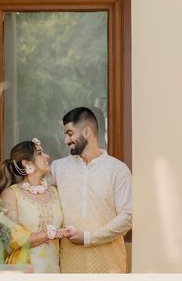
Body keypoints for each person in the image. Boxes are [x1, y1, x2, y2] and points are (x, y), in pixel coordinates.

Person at [51, 107, 133, 273]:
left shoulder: (118, 170)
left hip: (109, 265)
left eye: (70, 133)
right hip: (69, 265)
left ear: (86, 132)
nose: (66, 140)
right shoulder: (58, 168)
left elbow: (127, 217)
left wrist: (88, 237)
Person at [0, 138, 70, 273]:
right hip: (23, 271)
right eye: (40, 153)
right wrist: (51, 234)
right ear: (26, 163)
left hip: (53, 270)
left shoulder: (54, 191)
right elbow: (11, 238)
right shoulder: (11, 194)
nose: (47, 156)